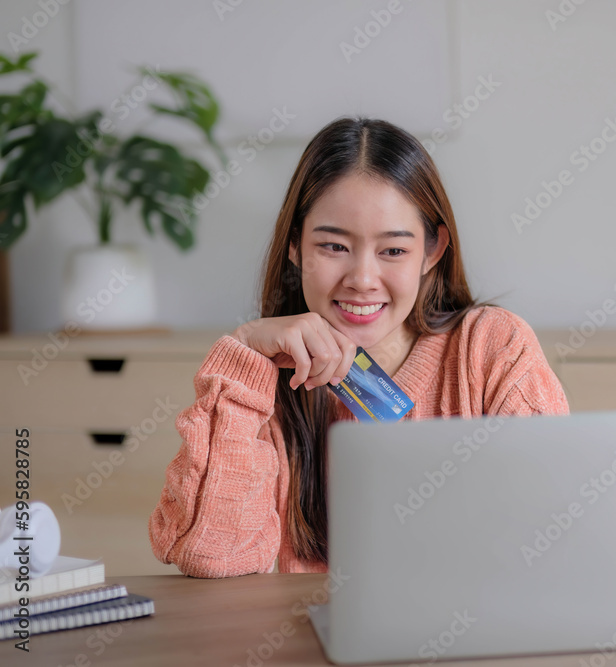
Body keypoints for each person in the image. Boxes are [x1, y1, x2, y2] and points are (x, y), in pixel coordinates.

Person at [148, 116, 570, 578]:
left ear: (432, 252)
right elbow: (211, 559)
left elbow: (551, 538)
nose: (363, 280)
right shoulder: (262, 382)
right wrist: (243, 354)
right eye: (334, 246)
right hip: (313, 626)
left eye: (393, 251)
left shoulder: (493, 348)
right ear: (294, 245)